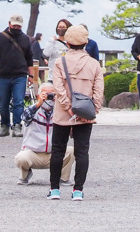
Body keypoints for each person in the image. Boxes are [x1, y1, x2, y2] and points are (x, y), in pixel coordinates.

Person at [49, 24, 104, 200]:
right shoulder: (94, 64)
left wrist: (68, 107)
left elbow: (58, 88)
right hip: (85, 113)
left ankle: (55, 189)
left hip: (62, 114)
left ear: (67, 42)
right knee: (82, 151)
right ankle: (78, 190)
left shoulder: (60, 62)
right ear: (86, 42)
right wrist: (92, 110)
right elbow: (98, 90)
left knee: (58, 150)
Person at [15, 83, 74, 185]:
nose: (49, 98)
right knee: (21, 157)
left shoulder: (59, 112)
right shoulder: (33, 110)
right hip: (33, 153)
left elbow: (71, 132)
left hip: (53, 154)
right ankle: (25, 175)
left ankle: (63, 178)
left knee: (72, 150)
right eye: (46, 95)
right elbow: (24, 117)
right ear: (39, 96)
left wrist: (62, 105)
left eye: (52, 95)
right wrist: (38, 104)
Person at [0, 14, 33, 138]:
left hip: (20, 75)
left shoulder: (25, 39)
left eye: (18, 26)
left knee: (19, 101)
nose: (16, 27)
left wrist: (31, 76)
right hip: (3, 75)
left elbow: (29, 58)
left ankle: (17, 125)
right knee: (3, 102)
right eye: (14, 25)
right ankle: (4, 125)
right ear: (9, 24)